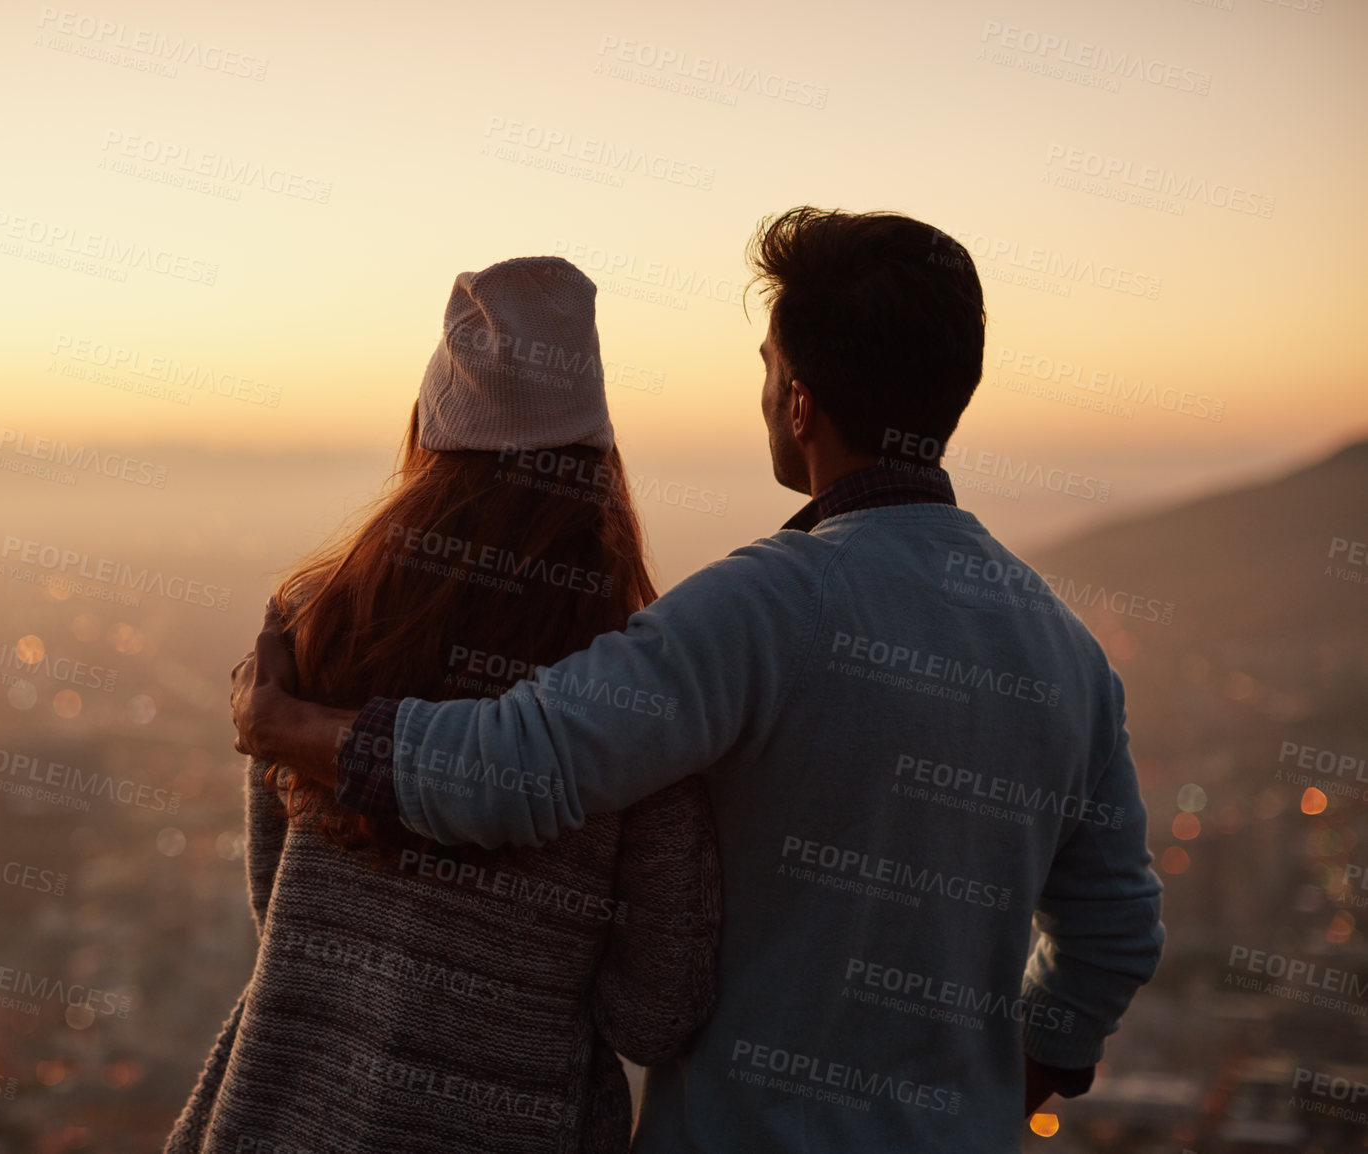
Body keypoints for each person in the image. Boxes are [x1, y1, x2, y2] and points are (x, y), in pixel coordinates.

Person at [231, 209, 1166, 1152]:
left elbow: (513, 768)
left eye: (766, 365)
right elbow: (1115, 932)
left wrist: (287, 730)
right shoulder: (1070, 657)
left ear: (798, 404)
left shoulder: (762, 609)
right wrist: (1015, 1083)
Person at [170, 257, 722, 1154]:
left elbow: (278, 904)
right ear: (596, 451)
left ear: (430, 423)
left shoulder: (312, 621)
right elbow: (654, 1010)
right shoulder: (632, 685)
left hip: (281, 1109)